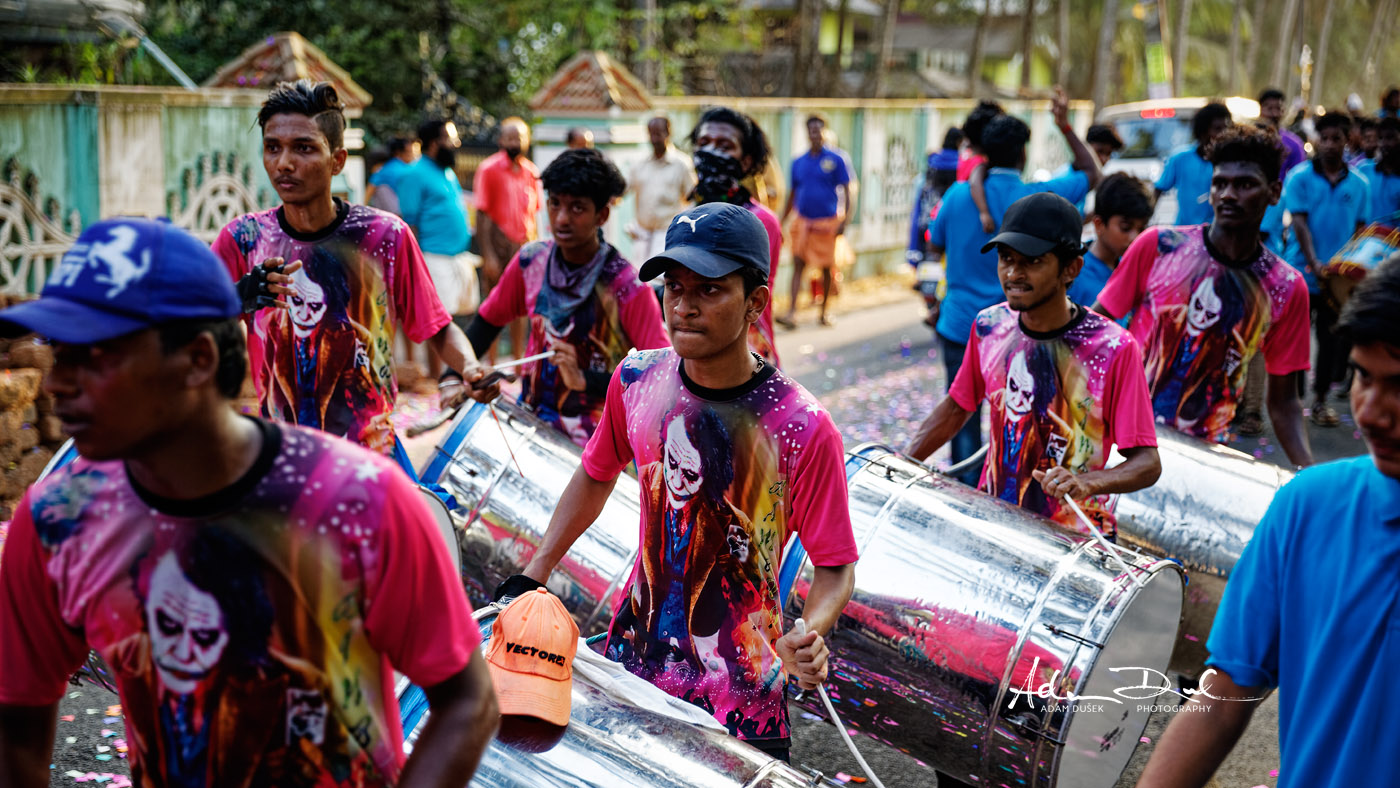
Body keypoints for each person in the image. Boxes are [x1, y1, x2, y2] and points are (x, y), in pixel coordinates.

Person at [0, 218, 498, 788]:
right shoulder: (58, 521)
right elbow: (18, 725)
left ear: (198, 359)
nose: (59, 384)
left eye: (96, 355)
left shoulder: (362, 501)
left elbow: (467, 701)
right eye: (60, 355)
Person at [495, 203, 858, 763]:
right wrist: (537, 568)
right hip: (633, 670)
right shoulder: (637, 380)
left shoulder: (800, 426)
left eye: (709, 290)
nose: (683, 307)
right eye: (674, 288)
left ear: (757, 302)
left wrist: (810, 631)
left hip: (740, 699)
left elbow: (835, 563)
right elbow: (595, 475)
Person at [1135, 253, 1400, 788]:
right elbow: (1227, 691)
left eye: (1399, 385)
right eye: (1360, 376)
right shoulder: (1309, 507)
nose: (1370, 411)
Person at [212, 81, 488, 455]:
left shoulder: (385, 236)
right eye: (272, 147)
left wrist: (469, 368)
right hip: (279, 457)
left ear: (337, 160)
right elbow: (183, 329)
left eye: (304, 148)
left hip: (371, 455)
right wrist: (236, 298)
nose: (284, 163)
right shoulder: (243, 239)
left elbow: (437, 327)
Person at [906, 193, 1160, 538]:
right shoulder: (989, 326)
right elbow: (956, 408)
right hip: (996, 529)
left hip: (1076, 542)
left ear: (1071, 268)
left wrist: (1085, 483)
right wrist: (901, 464)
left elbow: (1147, 463)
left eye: (1032, 261)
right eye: (1006, 258)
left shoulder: (1114, 348)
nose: (1013, 273)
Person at [1094, 124, 1313, 466]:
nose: (1228, 194)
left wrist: (1308, 475)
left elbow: (1284, 402)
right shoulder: (1159, 247)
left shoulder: (1284, 287)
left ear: (1273, 192)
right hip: (1121, 441)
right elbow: (1092, 333)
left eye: (1244, 185)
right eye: (1220, 183)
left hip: (1203, 459)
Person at [925, 93, 1102, 485]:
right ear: (1022, 154)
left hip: (958, 322)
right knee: (1023, 420)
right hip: (1022, 331)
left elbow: (934, 242)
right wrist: (1065, 125)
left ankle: (966, 494)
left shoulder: (957, 195)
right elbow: (1092, 173)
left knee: (962, 415)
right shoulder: (1035, 202)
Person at [463, 148, 668, 447]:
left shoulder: (626, 287)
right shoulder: (530, 262)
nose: (560, 219)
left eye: (577, 208)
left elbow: (661, 375)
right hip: (529, 429)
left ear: (603, 214)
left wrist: (585, 379)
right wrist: (457, 373)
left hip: (599, 446)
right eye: (554, 203)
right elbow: (486, 323)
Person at [1281, 111, 1371, 428]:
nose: (1330, 145)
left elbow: (1361, 231)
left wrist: (1348, 269)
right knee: (1296, 337)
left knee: (1331, 339)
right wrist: (1315, 263)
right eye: (1325, 138)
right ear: (1316, 140)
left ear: (1348, 141)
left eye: (1337, 138)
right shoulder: (1300, 177)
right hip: (1301, 272)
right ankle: (1291, 399)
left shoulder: (1360, 185)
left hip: (1339, 279)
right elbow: (1300, 224)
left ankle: (1319, 401)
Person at [688, 106, 784, 366]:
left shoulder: (761, 222)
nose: (710, 151)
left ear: (746, 161)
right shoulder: (687, 217)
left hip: (745, 356)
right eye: (704, 143)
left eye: (724, 145)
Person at [398, 118, 480, 369]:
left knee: (455, 317)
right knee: (438, 321)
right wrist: (416, 263)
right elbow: (409, 222)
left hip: (457, 256)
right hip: (432, 257)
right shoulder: (414, 174)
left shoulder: (447, 171)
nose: (456, 143)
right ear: (434, 143)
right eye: (450, 138)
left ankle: (451, 372)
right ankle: (437, 379)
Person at [474, 117, 542, 363]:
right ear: (501, 140)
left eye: (520, 138)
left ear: (527, 140)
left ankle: (517, 361)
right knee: (494, 304)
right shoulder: (489, 169)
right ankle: (491, 363)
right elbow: (482, 215)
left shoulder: (532, 172)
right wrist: (488, 254)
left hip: (523, 246)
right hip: (497, 244)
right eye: (510, 138)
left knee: (523, 307)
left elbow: (534, 215)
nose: (515, 142)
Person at [779, 114, 854, 328]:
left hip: (828, 223)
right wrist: (781, 221)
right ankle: (792, 312)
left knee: (827, 268)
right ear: (807, 132)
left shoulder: (837, 159)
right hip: (804, 223)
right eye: (811, 130)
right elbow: (792, 193)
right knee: (798, 264)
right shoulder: (798, 162)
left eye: (818, 130)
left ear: (825, 131)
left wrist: (845, 221)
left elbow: (849, 191)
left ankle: (824, 312)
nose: (815, 134)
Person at [1067, 172, 1154, 307]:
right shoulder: (1073, 276)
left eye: (1141, 229)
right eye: (1126, 228)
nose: (1135, 238)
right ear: (1099, 224)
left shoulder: (1136, 271)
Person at [627, 116, 696, 264]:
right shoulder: (639, 164)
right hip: (642, 236)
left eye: (658, 134)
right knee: (640, 280)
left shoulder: (681, 164)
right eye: (651, 134)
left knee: (660, 280)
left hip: (667, 236)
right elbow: (621, 191)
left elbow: (692, 199)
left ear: (668, 133)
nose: (654, 139)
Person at [1156, 102, 1233, 227]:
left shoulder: (1230, 162)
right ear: (1203, 131)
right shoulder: (1180, 158)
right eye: (1217, 129)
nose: (1223, 134)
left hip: (1218, 233)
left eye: (1226, 128)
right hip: (1184, 231)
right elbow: (1159, 188)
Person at [1358, 116, 1400, 222]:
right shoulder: (1363, 171)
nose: (1384, 144)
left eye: (1390, 138)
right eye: (1380, 138)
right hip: (1364, 237)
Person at [365, 134, 418, 214]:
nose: (412, 156)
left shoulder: (385, 169)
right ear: (398, 153)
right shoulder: (404, 169)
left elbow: (370, 189)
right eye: (409, 152)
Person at [1258, 89, 1307, 175]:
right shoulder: (1250, 140)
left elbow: (1297, 176)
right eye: (1269, 109)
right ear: (1260, 110)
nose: (1274, 114)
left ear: (1283, 111)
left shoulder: (1294, 144)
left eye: (1278, 109)